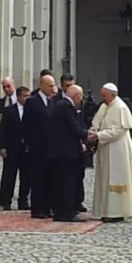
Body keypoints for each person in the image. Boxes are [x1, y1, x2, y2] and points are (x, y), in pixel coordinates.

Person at [88, 83, 132, 223]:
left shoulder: (120, 107)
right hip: (105, 146)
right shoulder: (104, 106)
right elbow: (96, 122)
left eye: (104, 95)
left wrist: (98, 135)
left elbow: (119, 130)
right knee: (104, 178)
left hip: (117, 148)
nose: (102, 98)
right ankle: (105, 210)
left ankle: (116, 212)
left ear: (112, 94)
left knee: (115, 178)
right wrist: (92, 131)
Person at [49, 84, 89, 222]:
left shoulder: (60, 105)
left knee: (60, 183)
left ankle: (60, 212)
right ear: (76, 96)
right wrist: (88, 135)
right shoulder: (67, 106)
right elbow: (74, 127)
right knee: (68, 184)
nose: (81, 100)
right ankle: (68, 213)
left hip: (59, 151)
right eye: (81, 97)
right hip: (66, 152)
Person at [0, 86, 31, 210]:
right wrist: (2, 147)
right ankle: (6, 200)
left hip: (26, 148)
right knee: (9, 176)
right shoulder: (8, 111)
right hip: (12, 148)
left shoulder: (32, 110)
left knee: (26, 176)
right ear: (18, 97)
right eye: (25, 96)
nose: (27, 98)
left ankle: (23, 200)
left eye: (28, 95)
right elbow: (2, 130)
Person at [23, 74, 56, 219]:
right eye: (50, 86)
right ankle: (37, 209)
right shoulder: (32, 102)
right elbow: (26, 124)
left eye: (53, 85)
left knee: (49, 178)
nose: (52, 89)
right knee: (37, 179)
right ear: (42, 85)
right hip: (37, 147)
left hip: (50, 147)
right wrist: (30, 143)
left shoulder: (52, 102)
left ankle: (47, 206)